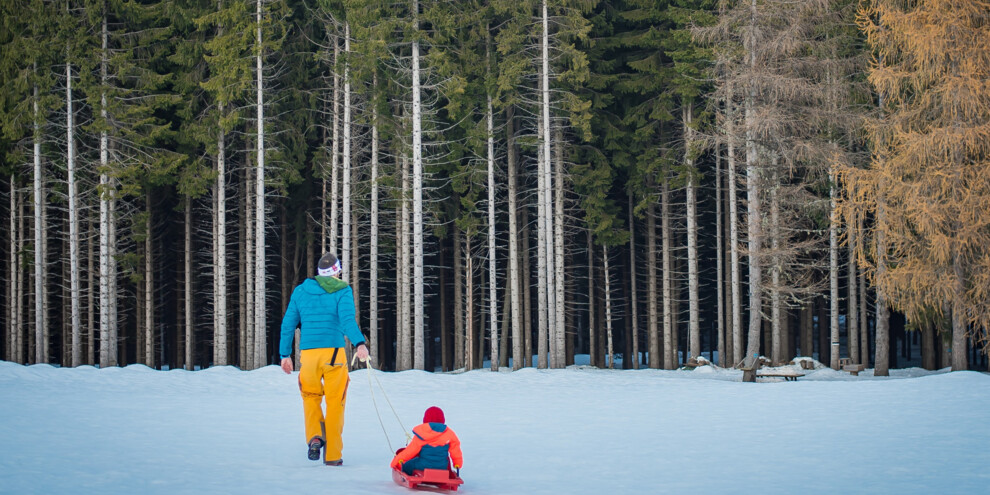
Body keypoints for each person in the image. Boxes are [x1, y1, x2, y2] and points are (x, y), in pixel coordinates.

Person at [279, 252, 370, 466]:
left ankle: (315, 437)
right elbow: (347, 321)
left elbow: (288, 324)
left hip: (309, 356)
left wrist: (285, 355)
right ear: (336, 271)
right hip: (334, 355)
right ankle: (333, 456)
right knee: (335, 403)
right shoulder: (342, 290)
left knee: (310, 398)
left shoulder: (300, 291)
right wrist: (359, 344)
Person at [390, 406, 463, 476]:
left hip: (423, 465)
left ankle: (409, 475)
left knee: (408, 465)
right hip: (442, 467)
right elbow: (455, 451)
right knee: (445, 461)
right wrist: (457, 463)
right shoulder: (449, 433)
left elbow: (410, 452)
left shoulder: (422, 433)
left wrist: (396, 461)